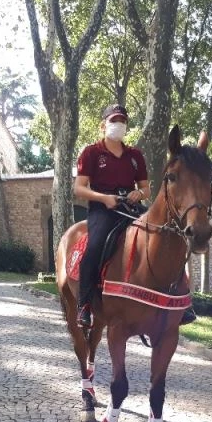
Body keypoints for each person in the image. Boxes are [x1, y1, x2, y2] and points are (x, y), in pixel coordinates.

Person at [74, 104, 150, 328]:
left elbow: (146, 188)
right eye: (114, 121)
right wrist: (103, 198)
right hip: (102, 207)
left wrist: (139, 193)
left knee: (161, 232)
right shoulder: (91, 152)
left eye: (123, 122)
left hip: (130, 206)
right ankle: (84, 305)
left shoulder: (135, 155)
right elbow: (79, 188)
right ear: (103, 125)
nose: (119, 125)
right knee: (95, 245)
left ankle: (179, 300)